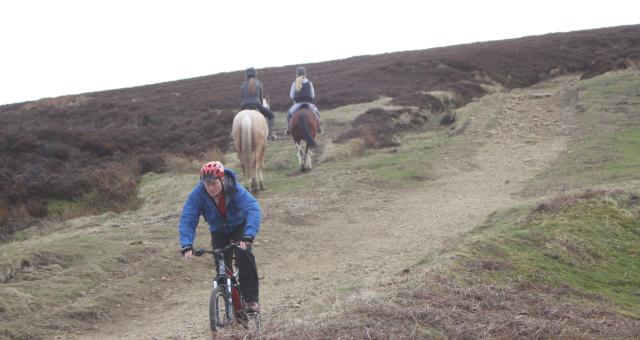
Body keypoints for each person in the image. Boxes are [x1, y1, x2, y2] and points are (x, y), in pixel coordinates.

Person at [178, 161, 261, 312]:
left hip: (239, 226)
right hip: (218, 231)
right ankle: (231, 307)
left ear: (222, 180)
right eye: (206, 183)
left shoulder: (234, 188)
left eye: (213, 183)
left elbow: (252, 208)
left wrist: (248, 235)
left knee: (244, 255)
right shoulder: (198, 194)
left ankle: (251, 300)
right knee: (221, 266)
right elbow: (188, 218)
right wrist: (186, 243)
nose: (210, 187)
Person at [241, 67, 277, 140]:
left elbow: (243, 97)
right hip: (257, 105)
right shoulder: (259, 83)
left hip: (245, 106)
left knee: (236, 118)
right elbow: (260, 98)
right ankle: (269, 134)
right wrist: (260, 105)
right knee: (271, 116)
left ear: (246, 75)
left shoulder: (243, 84)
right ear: (255, 75)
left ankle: (232, 133)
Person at [286, 66, 323, 134]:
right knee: (317, 113)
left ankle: (289, 129)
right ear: (305, 74)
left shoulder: (294, 83)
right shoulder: (309, 83)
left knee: (288, 115)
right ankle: (319, 128)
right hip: (309, 104)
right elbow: (312, 95)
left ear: (297, 74)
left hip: (297, 104)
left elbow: (291, 96)